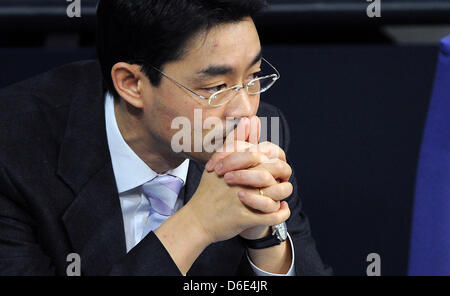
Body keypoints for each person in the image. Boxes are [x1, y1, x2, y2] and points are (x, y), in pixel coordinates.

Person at [0, 0, 331, 276]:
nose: (245, 111)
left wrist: (263, 236)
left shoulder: (261, 131)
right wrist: (196, 225)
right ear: (132, 84)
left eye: (254, 76)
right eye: (216, 88)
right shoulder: (14, 151)